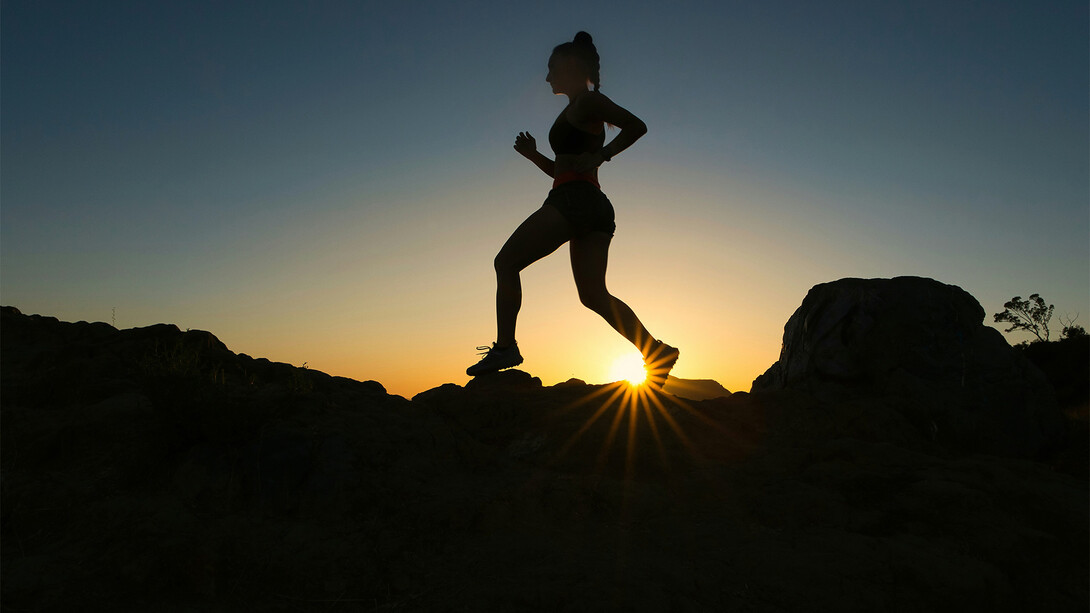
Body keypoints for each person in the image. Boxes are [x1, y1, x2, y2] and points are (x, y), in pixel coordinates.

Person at [467, 31, 679, 389]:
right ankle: (655, 351)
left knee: (506, 263)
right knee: (593, 295)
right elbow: (563, 170)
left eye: (552, 68)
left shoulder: (587, 102)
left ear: (570, 66)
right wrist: (534, 155)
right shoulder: (577, 108)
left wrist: (603, 154)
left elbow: (637, 126)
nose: (547, 77)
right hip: (592, 205)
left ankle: (505, 348)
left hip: (573, 200)